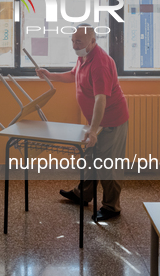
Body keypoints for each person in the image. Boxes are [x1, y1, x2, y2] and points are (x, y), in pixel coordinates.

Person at [36, 24, 129, 221]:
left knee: (106, 164)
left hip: (111, 120)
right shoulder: (84, 56)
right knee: (89, 157)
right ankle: (83, 194)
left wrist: (93, 131)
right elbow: (73, 75)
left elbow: (101, 99)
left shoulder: (100, 64)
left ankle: (112, 207)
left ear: (93, 41)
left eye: (78, 41)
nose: (74, 45)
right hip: (96, 120)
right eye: (72, 40)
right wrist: (50, 75)